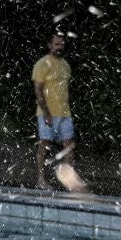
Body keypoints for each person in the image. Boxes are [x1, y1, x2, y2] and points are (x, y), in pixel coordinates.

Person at [31, 32, 86, 191]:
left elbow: (66, 89)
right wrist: (46, 112)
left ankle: (71, 181)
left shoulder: (65, 65)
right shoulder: (42, 64)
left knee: (69, 145)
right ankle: (41, 179)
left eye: (61, 44)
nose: (59, 47)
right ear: (49, 46)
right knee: (45, 144)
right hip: (47, 112)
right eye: (56, 44)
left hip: (65, 113)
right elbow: (38, 90)